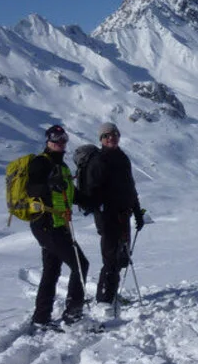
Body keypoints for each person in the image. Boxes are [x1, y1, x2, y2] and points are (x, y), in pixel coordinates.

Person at [27, 124, 89, 331]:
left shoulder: (62, 167)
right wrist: (50, 185)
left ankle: (41, 317)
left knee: (52, 271)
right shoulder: (40, 163)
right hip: (46, 224)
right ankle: (73, 314)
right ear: (47, 141)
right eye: (55, 139)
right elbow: (31, 188)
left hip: (58, 225)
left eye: (63, 139)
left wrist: (93, 201)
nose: (59, 143)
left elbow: (72, 194)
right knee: (81, 264)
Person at [88, 122, 144, 306]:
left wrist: (137, 212)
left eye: (114, 134)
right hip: (108, 217)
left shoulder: (122, 158)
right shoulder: (99, 160)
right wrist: (102, 212)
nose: (111, 138)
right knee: (111, 259)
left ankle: (111, 295)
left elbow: (130, 187)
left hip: (123, 215)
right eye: (106, 136)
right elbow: (93, 192)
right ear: (101, 140)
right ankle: (104, 300)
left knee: (122, 257)